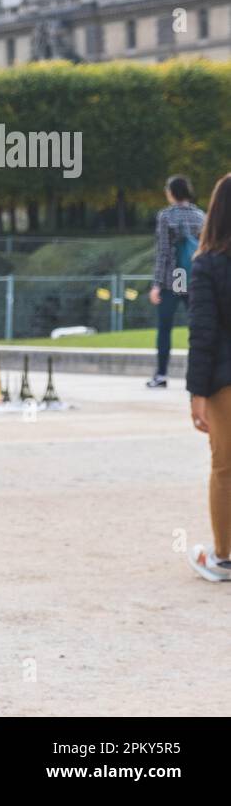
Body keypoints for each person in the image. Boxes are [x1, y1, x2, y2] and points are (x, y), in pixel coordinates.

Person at [186, 173, 231, 581]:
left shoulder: (208, 265)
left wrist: (196, 393)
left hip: (224, 380)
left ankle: (225, 555)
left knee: (225, 467)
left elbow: (203, 333)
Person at [148, 174, 205, 388]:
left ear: (172, 192)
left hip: (175, 278)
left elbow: (163, 253)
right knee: (197, 329)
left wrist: (156, 284)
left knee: (165, 328)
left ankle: (161, 374)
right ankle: (196, 374)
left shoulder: (166, 217)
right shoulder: (201, 216)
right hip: (194, 278)